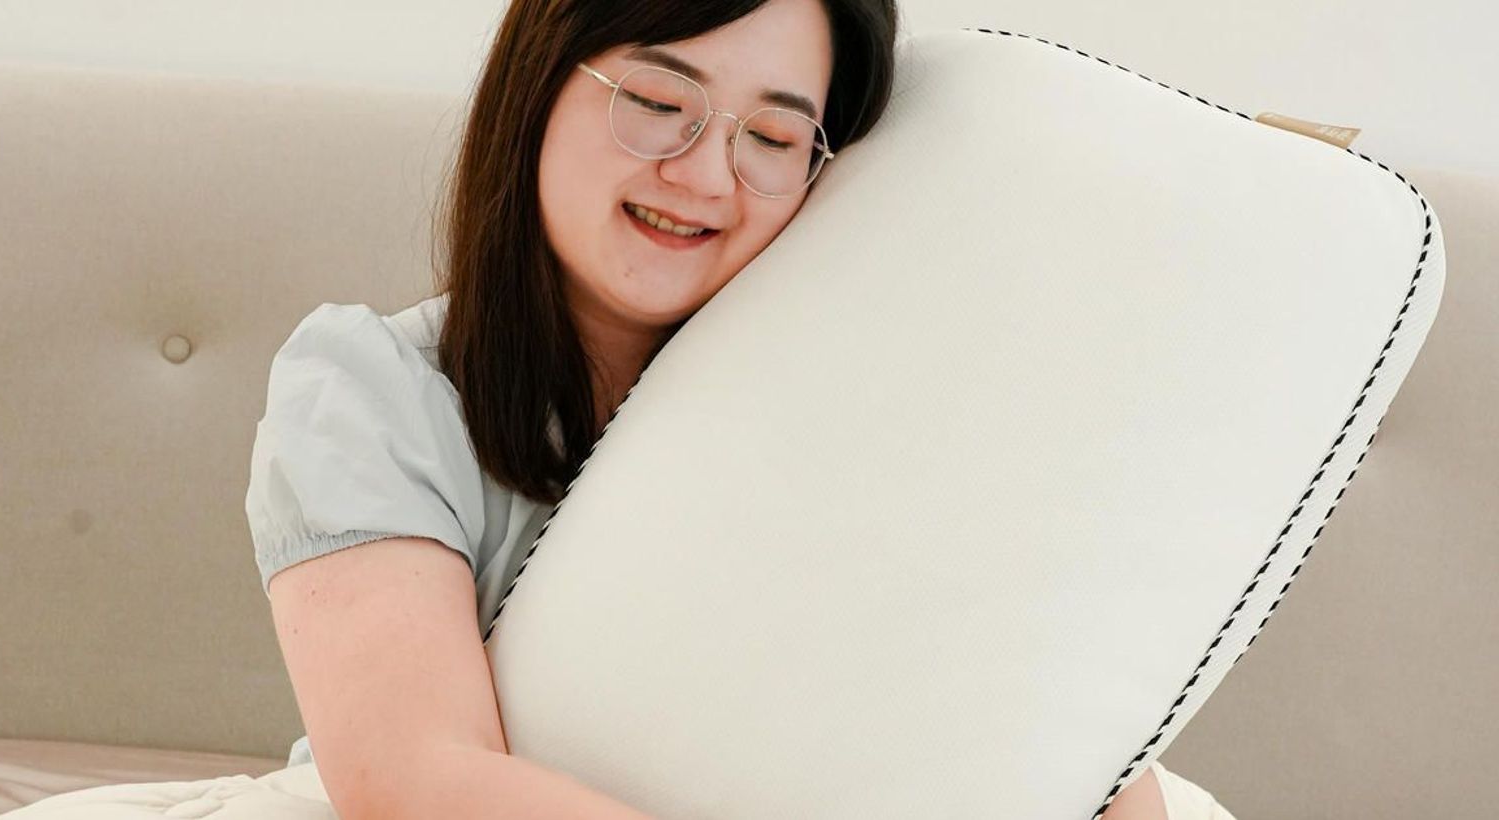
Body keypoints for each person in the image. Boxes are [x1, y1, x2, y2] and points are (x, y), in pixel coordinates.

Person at [245, 0, 1229, 817]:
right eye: (658, 102)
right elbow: (419, 781)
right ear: (537, 88)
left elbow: (1041, 715)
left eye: (771, 137)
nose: (706, 176)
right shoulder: (371, 391)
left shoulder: (865, 401)